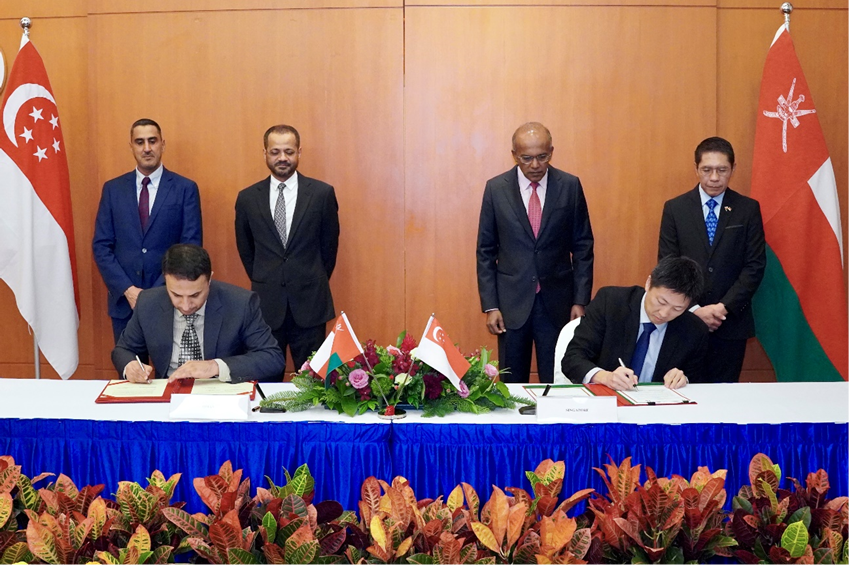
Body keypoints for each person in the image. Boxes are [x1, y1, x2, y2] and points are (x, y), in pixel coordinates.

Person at [476, 122, 594, 383]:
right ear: (514, 155)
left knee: (556, 378)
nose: (535, 165)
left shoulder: (570, 186)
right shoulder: (496, 189)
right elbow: (485, 251)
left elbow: (583, 247)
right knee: (512, 381)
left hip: (557, 303)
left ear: (551, 151)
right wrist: (491, 305)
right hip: (510, 305)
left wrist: (580, 300)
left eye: (542, 157)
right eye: (526, 158)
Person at [658, 137, 766, 383]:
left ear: (733, 169)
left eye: (722, 170)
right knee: (683, 393)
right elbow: (668, 264)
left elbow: (755, 266)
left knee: (725, 399)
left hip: (730, 324)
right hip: (684, 321)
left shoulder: (747, 209)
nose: (714, 178)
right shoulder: (675, 208)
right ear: (696, 168)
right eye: (707, 170)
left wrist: (721, 308)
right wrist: (695, 309)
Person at [235, 125, 340, 372]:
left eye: (289, 151)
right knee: (266, 376)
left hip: (310, 305)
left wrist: (308, 278)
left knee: (314, 381)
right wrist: (268, 278)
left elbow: (329, 248)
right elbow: (246, 250)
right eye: (275, 152)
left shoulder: (322, 194)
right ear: (265, 154)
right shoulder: (248, 198)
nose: (282, 158)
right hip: (267, 305)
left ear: (299, 152)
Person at [93, 119, 203, 344]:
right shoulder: (113, 189)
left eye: (152, 141)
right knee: (131, 372)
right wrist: (128, 290)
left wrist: (156, 293)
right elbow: (101, 246)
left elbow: (190, 247)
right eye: (140, 142)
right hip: (125, 302)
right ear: (131, 146)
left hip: (172, 301)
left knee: (173, 374)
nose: (146, 148)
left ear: (163, 144)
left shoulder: (185, 188)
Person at [113, 244, 285, 383]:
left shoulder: (240, 303)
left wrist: (215, 366)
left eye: (195, 295)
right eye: (176, 295)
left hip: (220, 395)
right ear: (165, 279)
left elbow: (272, 357)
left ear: (209, 279)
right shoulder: (148, 302)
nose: (186, 306)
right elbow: (124, 349)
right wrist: (130, 366)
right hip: (168, 395)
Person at [562, 256, 709, 390]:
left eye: (677, 308)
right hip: (605, 402)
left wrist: (683, 379)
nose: (664, 313)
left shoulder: (694, 330)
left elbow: (697, 380)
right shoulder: (610, 303)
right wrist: (605, 377)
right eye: (661, 302)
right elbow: (572, 358)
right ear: (649, 283)